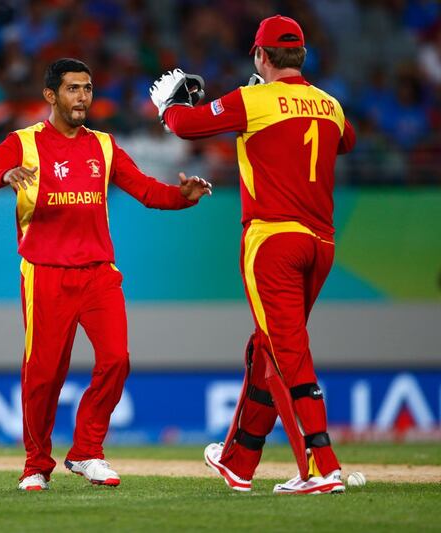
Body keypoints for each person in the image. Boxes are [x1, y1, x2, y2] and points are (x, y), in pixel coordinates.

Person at [0, 58, 212, 491]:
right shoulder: (23, 143)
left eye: (87, 88)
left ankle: (86, 451)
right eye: (73, 89)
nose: (82, 97)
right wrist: (4, 175)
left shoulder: (103, 144)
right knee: (44, 374)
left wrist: (183, 196)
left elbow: (145, 190)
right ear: (50, 96)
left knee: (117, 359)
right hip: (45, 273)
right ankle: (35, 465)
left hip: (98, 272)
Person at [149, 15, 356, 494]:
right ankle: (240, 460)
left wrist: (170, 103)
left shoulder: (253, 100)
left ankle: (321, 467)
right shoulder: (331, 105)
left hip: (272, 241)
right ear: (301, 56)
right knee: (267, 347)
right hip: (320, 243)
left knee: (286, 353)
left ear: (261, 56)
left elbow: (187, 126)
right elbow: (345, 142)